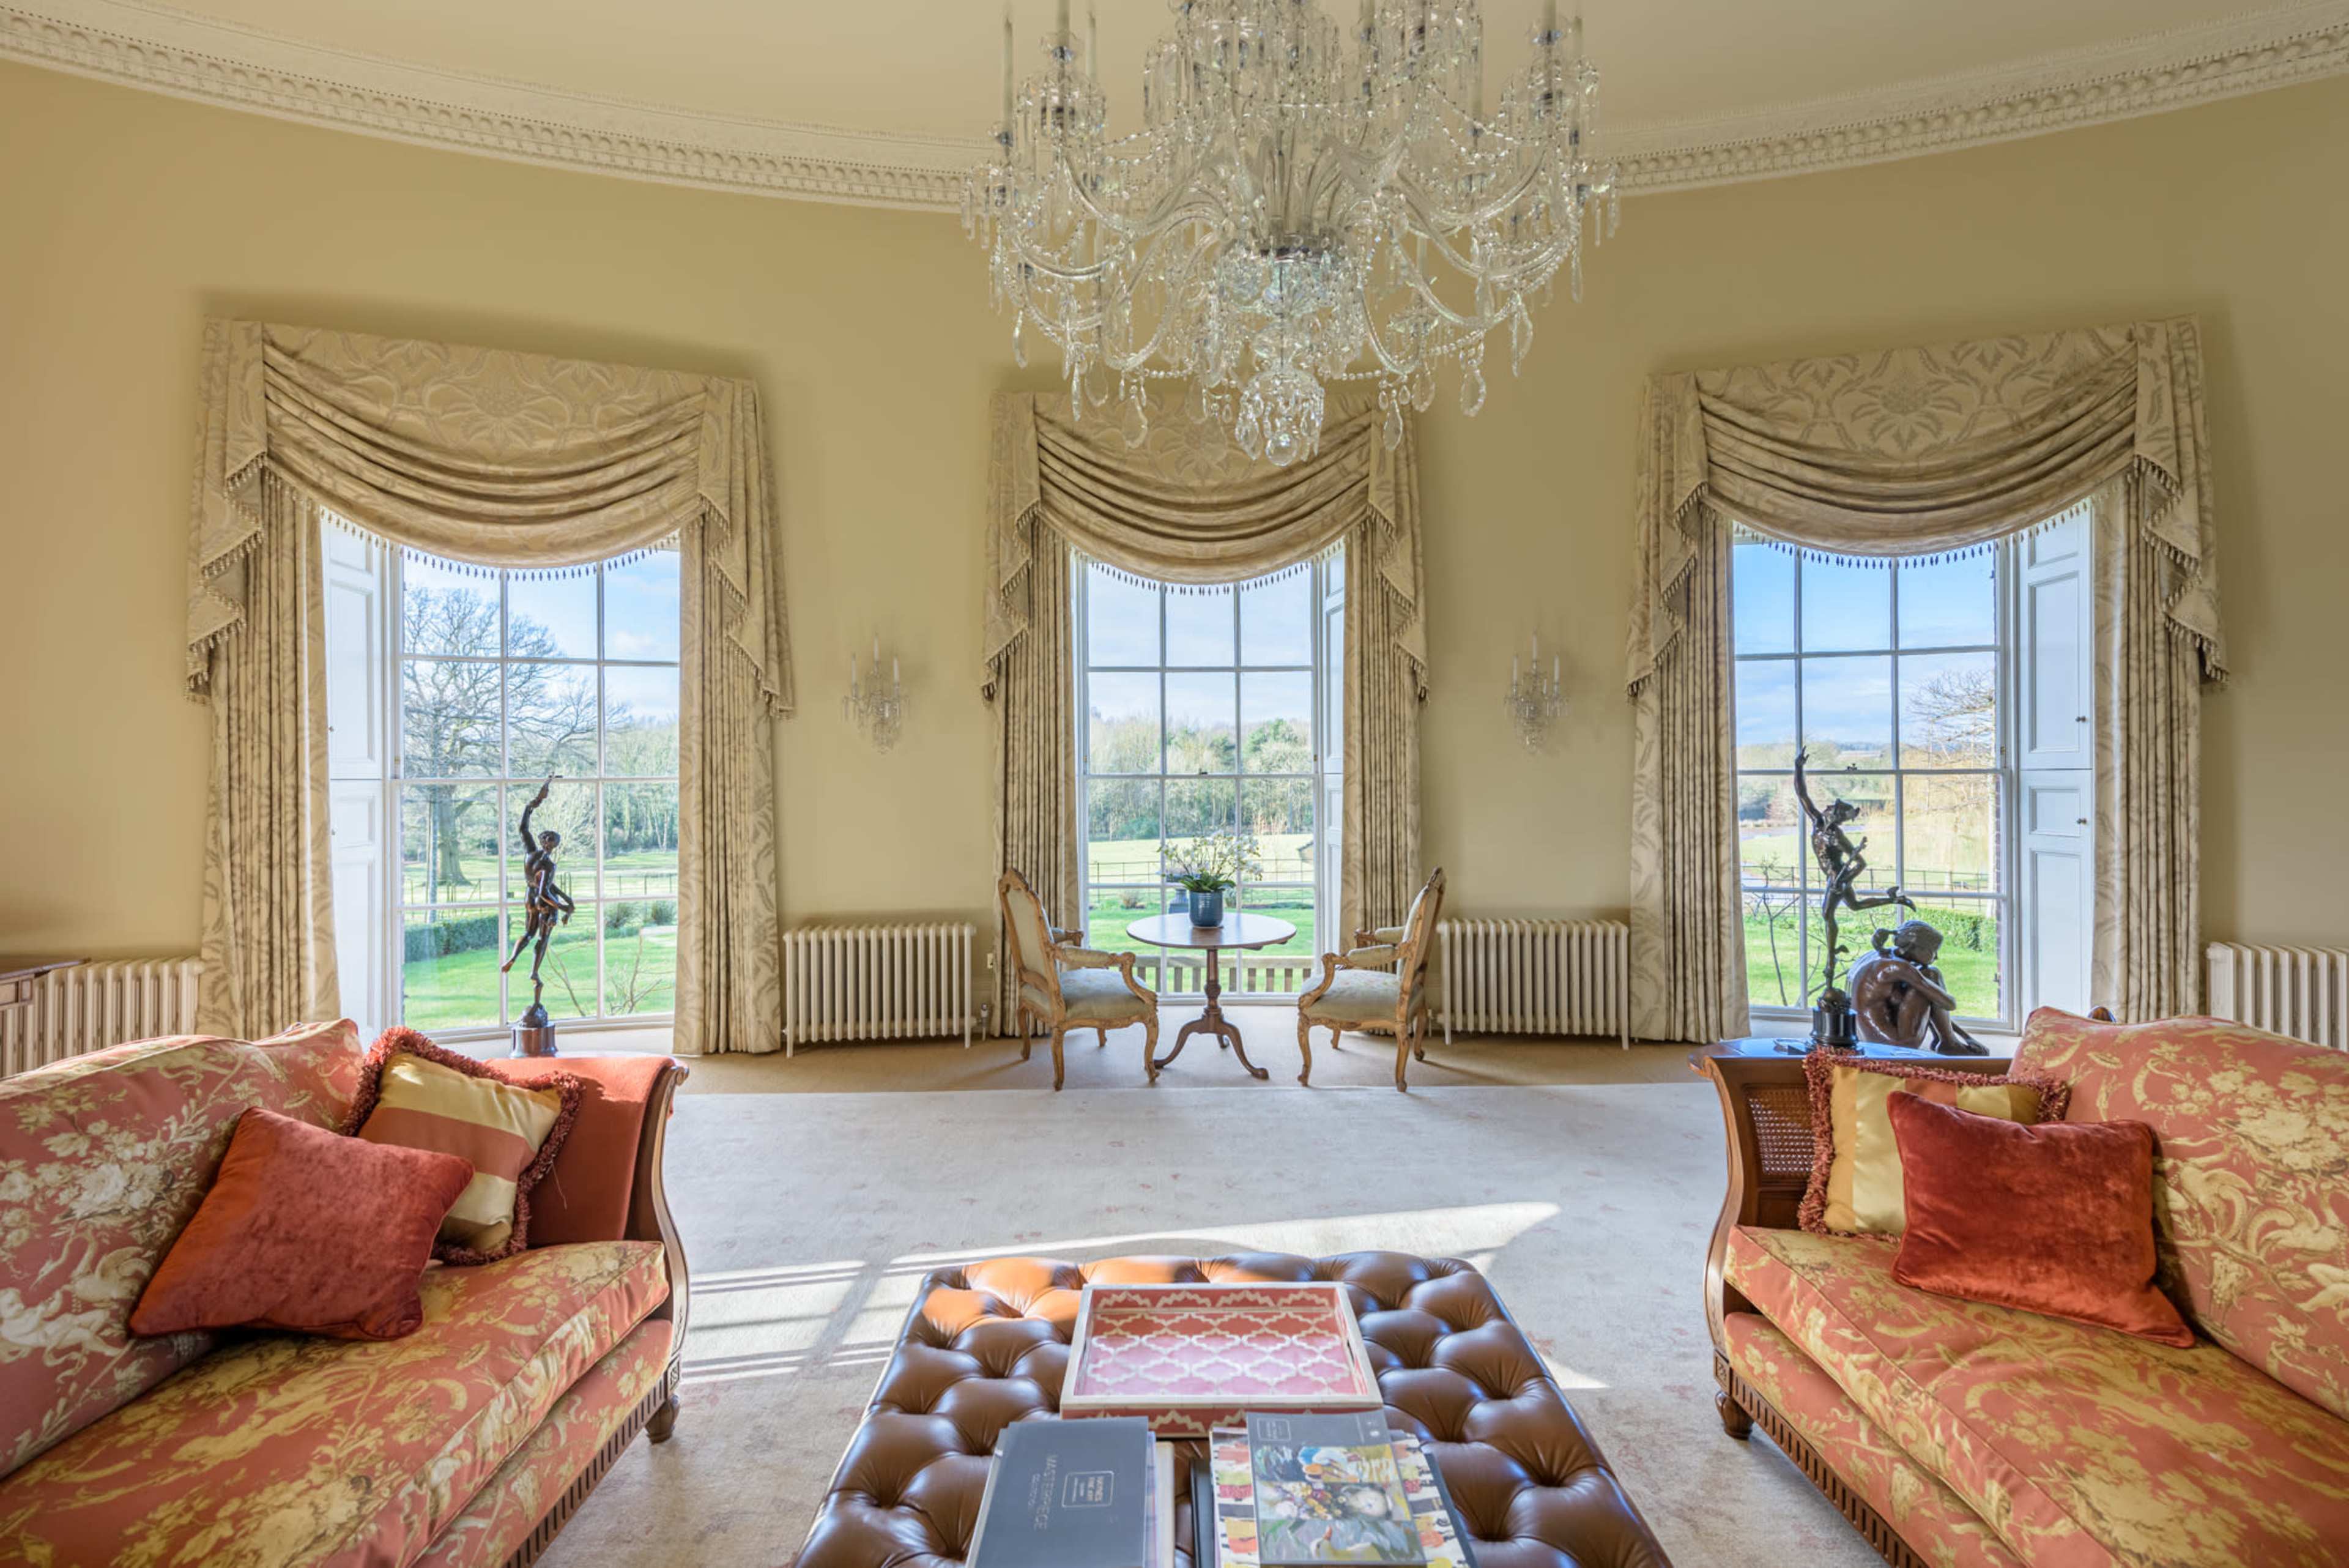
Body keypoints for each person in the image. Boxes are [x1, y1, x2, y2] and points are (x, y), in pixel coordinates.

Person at [500, 778, 574, 1003]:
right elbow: (545, 892)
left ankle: (513, 957)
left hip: (528, 897)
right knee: (543, 937)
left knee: (528, 932)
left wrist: (531, 806)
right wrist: (562, 907)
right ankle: (534, 971)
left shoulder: (530, 854)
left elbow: (523, 828)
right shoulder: (549, 865)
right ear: (555, 845)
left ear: (542, 841)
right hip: (543, 901)